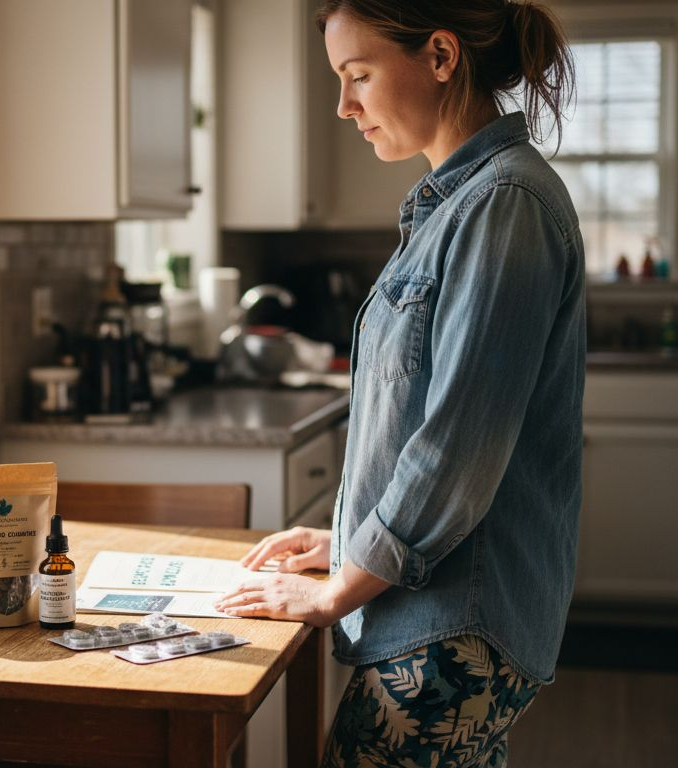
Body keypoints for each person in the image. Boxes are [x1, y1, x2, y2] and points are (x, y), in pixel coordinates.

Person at [213, 1, 583, 765]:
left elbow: (456, 446)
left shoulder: (502, 206)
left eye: (358, 76)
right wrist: (346, 541)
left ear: (441, 57)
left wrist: (335, 591)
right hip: (438, 612)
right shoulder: (461, 205)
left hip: (454, 627)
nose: (344, 106)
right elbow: (423, 430)